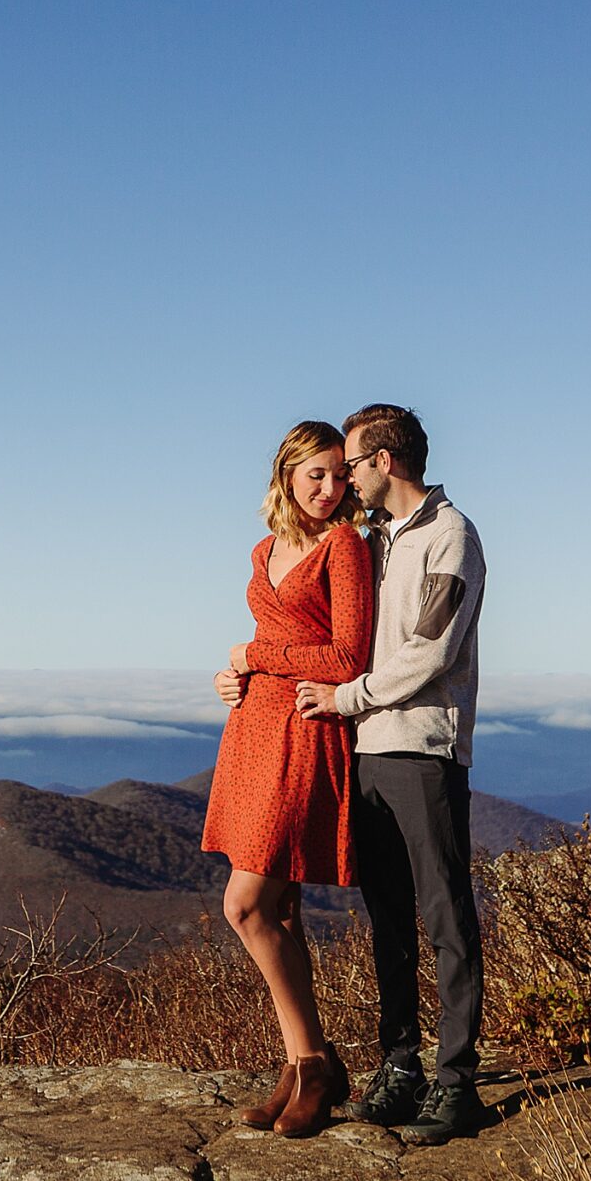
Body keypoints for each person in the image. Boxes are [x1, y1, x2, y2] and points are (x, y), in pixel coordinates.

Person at [294, 403, 489, 1145]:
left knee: (445, 915)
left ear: (387, 462)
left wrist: (347, 698)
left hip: (425, 749)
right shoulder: (378, 542)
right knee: (387, 917)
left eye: (352, 463)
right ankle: (401, 1063)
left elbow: (431, 651)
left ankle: (458, 1080)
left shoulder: (451, 536)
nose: (345, 476)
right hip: (369, 749)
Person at [201, 420, 375, 1138]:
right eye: (318, 475)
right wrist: (232, 672)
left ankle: (314, 1062)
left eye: (340, 476)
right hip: (252, 727)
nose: (332, 489)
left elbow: (348, 653)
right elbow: (268, 650)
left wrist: (255, 651)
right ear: (286, 472)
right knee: (279, 910)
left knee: (244, 905)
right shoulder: (265, 549)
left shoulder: (346, 546)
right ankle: (300, 1064)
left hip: (307, 727)